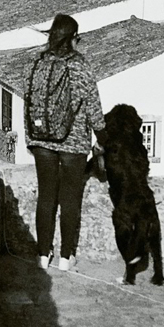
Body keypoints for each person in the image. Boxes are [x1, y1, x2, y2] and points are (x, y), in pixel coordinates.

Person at [24, 14, 105, 273]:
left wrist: (32, 137)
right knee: (70, 199)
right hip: (74, 144)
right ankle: (66, 257)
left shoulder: (36, 63)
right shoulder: (80, 66)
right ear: (72, 39)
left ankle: (42, 254)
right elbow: (93, 107)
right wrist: (102, 139)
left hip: (42, 142)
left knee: (46, 196)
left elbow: (29, 99)